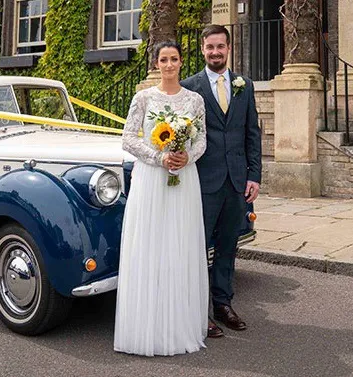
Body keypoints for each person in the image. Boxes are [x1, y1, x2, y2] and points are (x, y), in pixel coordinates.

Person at [114, 41, 208, 357]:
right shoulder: (143, 98)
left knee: (179, 245)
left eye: (174, 59)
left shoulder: (194, 101)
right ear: (156, 63)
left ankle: (179, 324)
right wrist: (159, 158)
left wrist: (186, 157)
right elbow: (128, 138)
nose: (169, 64)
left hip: (183, 179)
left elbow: (202, 140)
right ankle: (147, 327)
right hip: (151, 179)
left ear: (181, 62)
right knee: (151, 245)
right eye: (164, 60)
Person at [180, 24, 262, 337]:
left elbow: (251, 133)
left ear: (229, 48)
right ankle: (198, 312)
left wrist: (254, 174)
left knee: (228, 245)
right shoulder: (190, 87)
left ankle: (223, 304)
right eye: (210, 47)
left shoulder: (245, 85)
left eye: (220, 47)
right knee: (197, 247)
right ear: (203, 49)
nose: (215, 52)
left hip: (237, 181)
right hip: (203, 181)